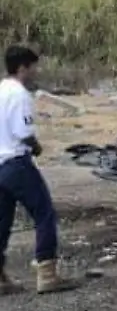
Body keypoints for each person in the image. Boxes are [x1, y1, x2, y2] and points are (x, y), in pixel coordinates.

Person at [0, 46, 79, 296]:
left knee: (3, 220)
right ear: (23, 67)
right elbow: (24, 134)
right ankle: (47, 271)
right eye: (34, 66)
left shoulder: (0, 90)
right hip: (16, 161)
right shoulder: (20, 95)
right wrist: (37, 147)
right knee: (44, 212)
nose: (36, 71)